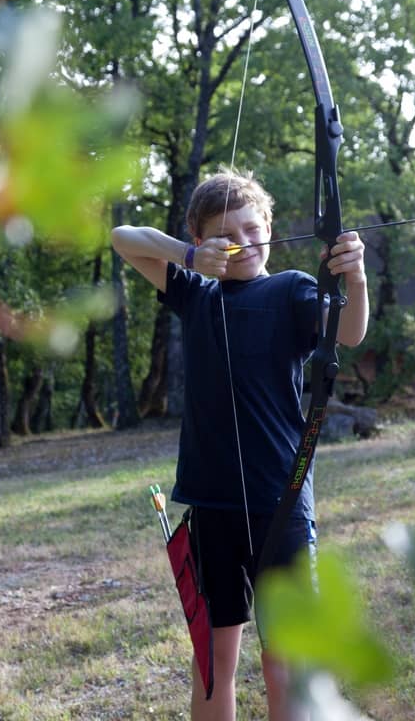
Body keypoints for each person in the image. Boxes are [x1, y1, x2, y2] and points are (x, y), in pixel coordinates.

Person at [111, 166, 368, 721]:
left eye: (251, 229)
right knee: (211, 663)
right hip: (210, 504)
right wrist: (187, 255)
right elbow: (122, 239)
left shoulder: (293, 289)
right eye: (223, 235)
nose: (242, 242)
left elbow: (348, 334)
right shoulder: (195, 293)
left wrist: (357, 278)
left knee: (288, 663)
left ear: (270, 227)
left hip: (281, 502)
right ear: (202, 241)